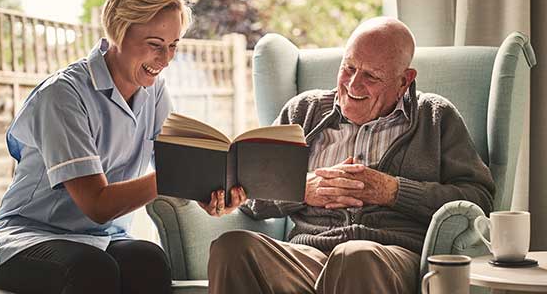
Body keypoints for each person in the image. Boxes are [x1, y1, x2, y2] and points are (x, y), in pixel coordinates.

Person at [0, 0, 245, 293]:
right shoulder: (63, 96)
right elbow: (97, 204)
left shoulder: (154, 92)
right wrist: (177, 174)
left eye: (173, 46)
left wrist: (209, 191)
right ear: (118, 31)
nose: (165, 60)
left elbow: (172, 166)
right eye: (154, 45)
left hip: (101, 239)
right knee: (90, 270)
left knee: (149, 260)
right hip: (27, 237)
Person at [207, 17, 495, 294]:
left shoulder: (435, 117)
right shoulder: (302, 112)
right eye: (349, 67)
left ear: (404, 80)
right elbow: (250, 197)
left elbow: (478, 199)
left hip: (390, 258)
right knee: (232, 248)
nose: (353, 84)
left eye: (371, 76)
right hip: (309, 255)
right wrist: (301, 189)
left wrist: (392, 191)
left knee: (355, 256)